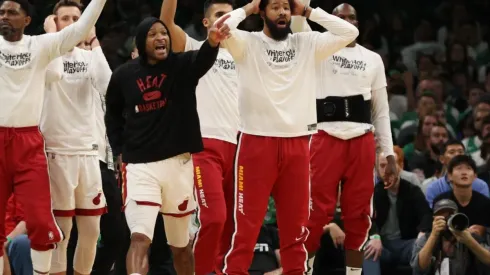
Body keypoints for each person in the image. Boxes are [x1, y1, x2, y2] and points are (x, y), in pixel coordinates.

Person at [217, 0, 359, 273]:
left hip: (297, 145)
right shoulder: (246, 42)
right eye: (275, 7)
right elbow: (220, 27)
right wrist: (248, 7)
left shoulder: (306, 43)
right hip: (256, 144)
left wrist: (307, 11)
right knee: (245, 232)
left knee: (296, 234)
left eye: (286, 6)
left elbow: (349, 33)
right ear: (263, 12)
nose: (282, 12)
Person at [104, 15, 230, 275]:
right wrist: (118, 151)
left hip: (179, 165)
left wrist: (213, 42)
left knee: (181, 246)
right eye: (152, 34)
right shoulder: (123, 75)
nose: (161, 37)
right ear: (141, 41)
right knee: (140, 238)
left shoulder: (181, 66)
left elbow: (203, 59)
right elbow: (112, 115)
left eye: (163, 33)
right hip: (140, 167)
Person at [0, 0, 106, 273]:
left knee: (43, 224)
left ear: (26, 20)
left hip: (30, 142)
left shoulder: (40, 45)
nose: (5, 17)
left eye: (12, 13)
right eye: (1, 12)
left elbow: (82, 27)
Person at [291, 2, 395, 274]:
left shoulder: (373, 59)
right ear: (329, 22)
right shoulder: (315, 47)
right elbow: (297, 19)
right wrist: (303, 9)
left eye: (352, 18)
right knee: (314, 214)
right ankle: (306, 270)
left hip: (362, 140)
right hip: (325, 136)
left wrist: (389, 153)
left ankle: (354, 273)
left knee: (359, 216)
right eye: (340, 17)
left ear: (358, 25)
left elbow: (381, 111)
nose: (347, 21)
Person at [159, 0, 238, 274]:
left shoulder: (247, 54)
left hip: (241, 148)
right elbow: (166, 25)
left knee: (233, 226)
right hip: (204, 146)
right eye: (219, 15)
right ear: (206, 23)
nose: (225, 20)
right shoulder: (193, 47)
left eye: (230, 15)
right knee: (214, 219)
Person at [39, 1, 112, 274]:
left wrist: (93, 40)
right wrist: (51, 38)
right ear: (53, 22)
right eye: (64, 19)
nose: (71, 23)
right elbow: (53, 73)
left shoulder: (90, 57)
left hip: (88, 153)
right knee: (62, 233)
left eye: (77, 18)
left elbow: (108, 86)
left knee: (92, 231)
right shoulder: (43, 54)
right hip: (56, 153)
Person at [363, 149, 431, 275]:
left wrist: (422, 233)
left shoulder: (412, 190)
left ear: (401, 166)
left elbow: (426, 215)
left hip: (407, 244)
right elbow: (367, 219)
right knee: (369, 248)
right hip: (382, 244)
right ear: (377, 169)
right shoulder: (372, 193)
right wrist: (375, 237)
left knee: (425, 246)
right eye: (383, 165)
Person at [412, 194, 490, 273]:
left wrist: (469, 241)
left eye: (450, 214)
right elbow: (419, 268)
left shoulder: (470, 237)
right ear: (434, 218)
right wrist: (433, 236)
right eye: (441, 213)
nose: (446, 218)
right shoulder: (426, 239)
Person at [425, 140, 489, 208]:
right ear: (442, 159)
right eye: (452, 152)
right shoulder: (433, 188)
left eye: (460, 152)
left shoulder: (481, 186)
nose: (457, 155)